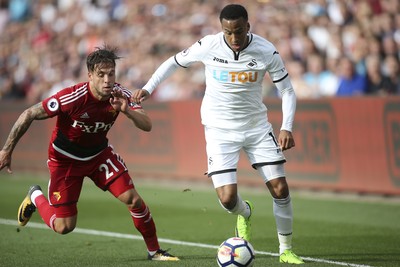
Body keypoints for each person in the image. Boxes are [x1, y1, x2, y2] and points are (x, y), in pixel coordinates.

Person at [132, 4, 304, 264]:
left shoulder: (267, 50)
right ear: (221, 29)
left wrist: (286, 126)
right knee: (227, 199)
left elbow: (288, 91)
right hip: (220, 130)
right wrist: (148, 87)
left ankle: (286, 250)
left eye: (238, 31)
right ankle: (244, 213)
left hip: (256, 128)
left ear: (248, 26)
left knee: (280, 188)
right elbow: (174, 62)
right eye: (228, 32)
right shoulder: (209, 45)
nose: (233, 38)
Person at [0, 46, 179, 262]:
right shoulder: (72, 98)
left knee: (134, 200)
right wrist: (7, 150)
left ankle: (155, 251)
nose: (107, 80)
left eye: (111, 74)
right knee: (64, 226)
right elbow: (29, 113)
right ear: (90, 76)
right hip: (65, 161)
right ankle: (35, 196)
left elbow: (147, 124)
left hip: (98, 155)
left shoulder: (120, 94)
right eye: (101, 75)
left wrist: (127, 111)